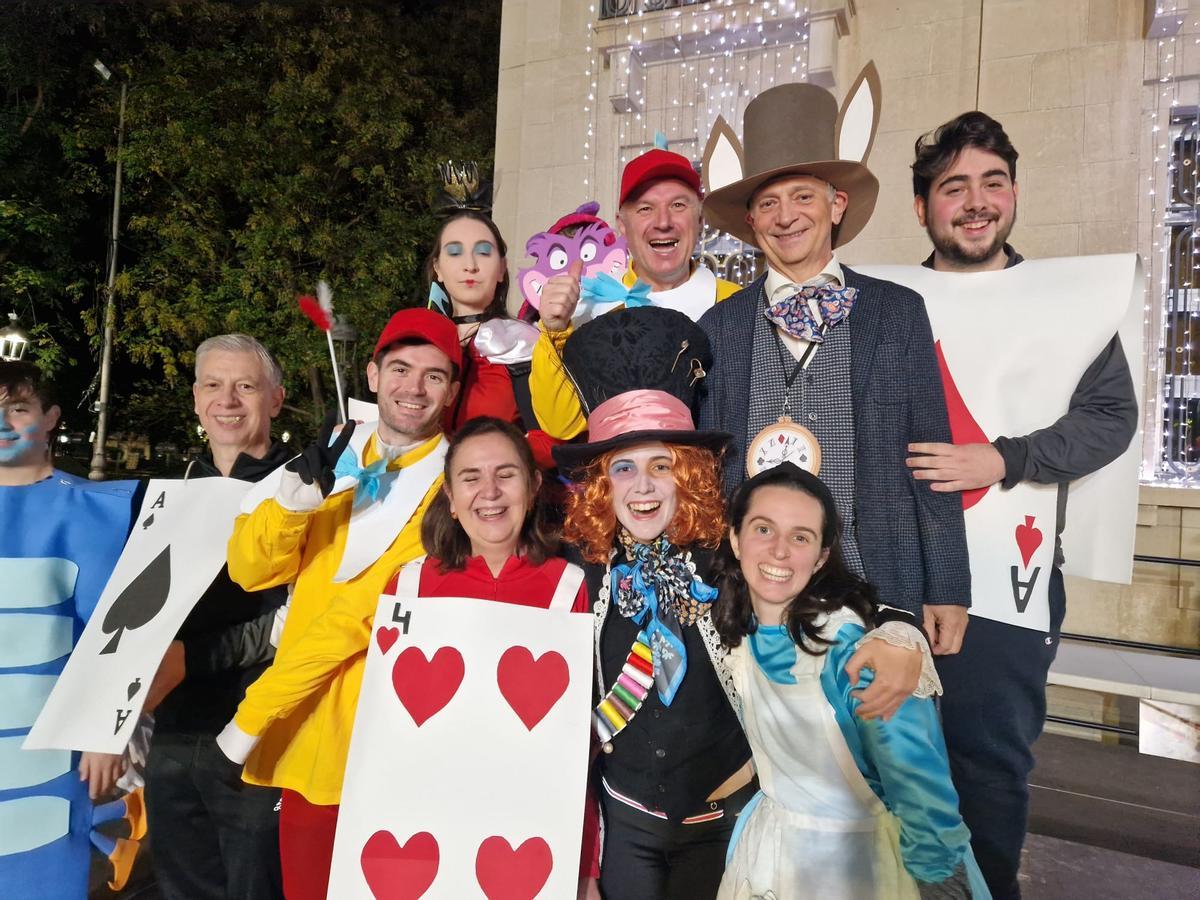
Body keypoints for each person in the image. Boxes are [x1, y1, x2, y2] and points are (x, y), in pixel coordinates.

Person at [553, 306, 933, 900]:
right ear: (604, 483)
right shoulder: (582, 571)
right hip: (623, 822)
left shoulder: (733, 561)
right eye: (624, 469)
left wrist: (901, 633)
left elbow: (833, 591)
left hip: (721, 825)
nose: (645, 486)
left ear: (691, 475)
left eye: (663, 466)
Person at [905, 111, 1138, 899]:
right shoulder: (886, 306)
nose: (975, 202)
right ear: (922, 207)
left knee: (988, 774)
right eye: (953, 187)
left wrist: (1005, 457)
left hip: (1011, 583)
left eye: (992, 183)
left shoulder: (1070, 306)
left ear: (1014, 193)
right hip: (893, 578)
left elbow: (1110, 418)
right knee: (887, 762)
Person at [697, 81, 972, 646]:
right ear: (750, 221)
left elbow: (932, 457)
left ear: (835, 203)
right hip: (754, 593)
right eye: (767, 202)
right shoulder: (717, 328)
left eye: (802, 196)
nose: (785, 216)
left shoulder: (898, 313)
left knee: (871, 730)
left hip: (877, 581)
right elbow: (707, 473)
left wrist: (947, 583)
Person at [215, 308, 461, 899]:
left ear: (452, 390)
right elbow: (250, 571)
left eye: (433, 376)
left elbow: (362, 616)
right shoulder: (326, 456)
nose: (413, 388)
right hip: (307, 744)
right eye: (400, 369)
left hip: (394, 736)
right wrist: (295, 499)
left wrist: (253, 715)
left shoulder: (456, 483)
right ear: (373, 376)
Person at [712, 463, 989, 900]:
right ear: (735, 537)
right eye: (763, 529)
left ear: (821, 555)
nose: (779, 551)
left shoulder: (859, 651)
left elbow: (919, 785)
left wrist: (941, 884)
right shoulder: (735, 628)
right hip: (767, 854)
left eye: (800, 537)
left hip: (861, 869)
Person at [383, 416, 601, 898]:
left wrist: (585, 869)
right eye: (471, 477)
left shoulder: (570, 589)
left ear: (534, 484)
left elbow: (573, 752)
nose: (490, 491)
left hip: (530, 838)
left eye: (505, 474)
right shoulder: (409, 588)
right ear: (450, 496)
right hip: (428, 838)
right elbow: (386, 737)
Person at [141, 334, 290, 900]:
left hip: (257, 737)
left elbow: (296, 621)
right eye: (213, 385)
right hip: (174, 735)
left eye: (245, 386)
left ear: (275, 400)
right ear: (196, 399)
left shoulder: (304, 492)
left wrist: (192, 658)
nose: (228, 399)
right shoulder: (166, 496)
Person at [0, 360, 139, 898]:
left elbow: (119, 634)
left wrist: (108, 734)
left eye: (19, 407)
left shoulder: (98, 511)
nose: (5, 422)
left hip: (51, 753)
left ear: (50, 416)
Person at [530, 147, 741, 440]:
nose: (663, 221)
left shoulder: (736, 305)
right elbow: (561, 425)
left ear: (700, 218)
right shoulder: (587, 310)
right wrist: (553, 330)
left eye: (678, 205)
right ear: (622, 224)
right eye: (645, 208)